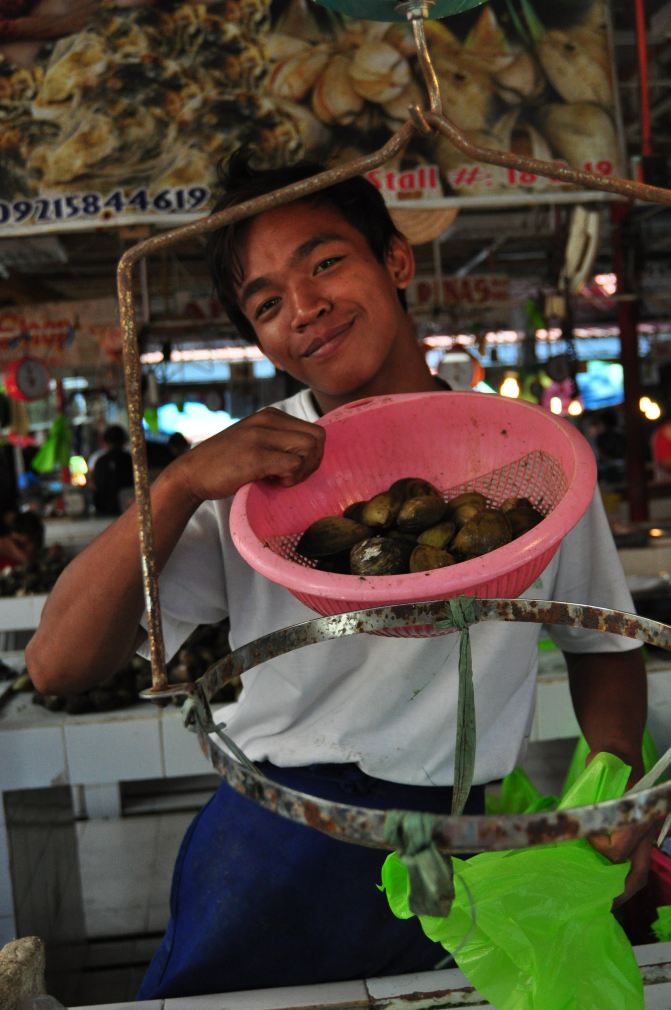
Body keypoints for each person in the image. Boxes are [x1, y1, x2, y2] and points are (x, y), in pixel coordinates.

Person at [26, 153, 650, 1000]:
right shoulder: (245, 479)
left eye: (325, 263)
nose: (306, 308)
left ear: (395, 260)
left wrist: (613, 782)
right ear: (256, 338)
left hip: (462, 837)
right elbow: (57, 666)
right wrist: (174, 486)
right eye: (268, 303)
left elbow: (599, 640)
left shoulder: (528, 455)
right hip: (278, 841)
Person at [89, 424, 134, 516]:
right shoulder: (131, 460)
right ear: (124, 440)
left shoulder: (98, 460)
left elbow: (92, 484)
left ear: (104, 441)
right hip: (128, 510)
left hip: (103, 510)